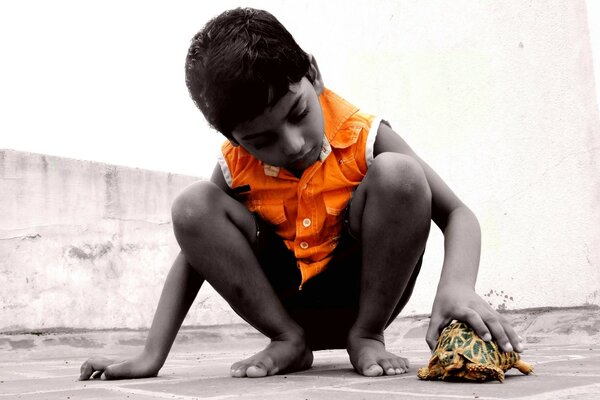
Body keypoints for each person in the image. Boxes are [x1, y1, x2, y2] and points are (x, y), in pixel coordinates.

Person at [79, 7, 522, 380]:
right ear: (233, 139)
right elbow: (195, 247)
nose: (291, 145)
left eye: (297, 112)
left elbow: (458, 214)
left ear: (313, 73)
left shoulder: (363, 133)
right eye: (260, 139)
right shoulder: (235, 165)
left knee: (400, 175)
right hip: (285, 304)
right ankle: (288, 341)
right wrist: (150, 356)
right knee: (192, 206)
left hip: (364, 294)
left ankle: (366, 336)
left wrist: (457, 286)